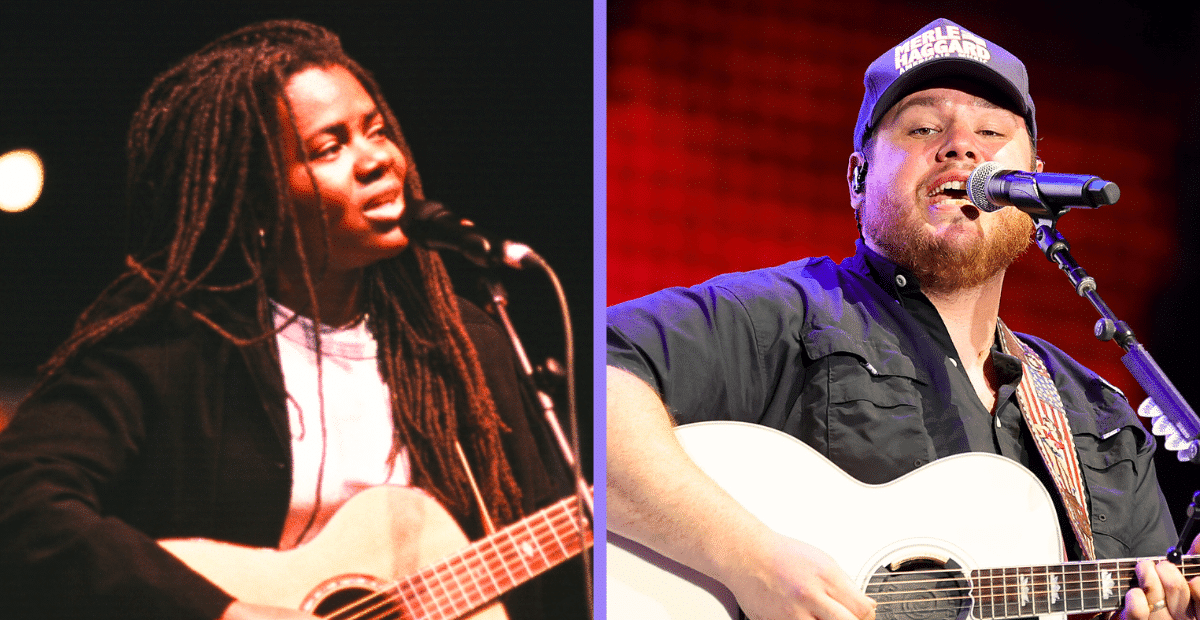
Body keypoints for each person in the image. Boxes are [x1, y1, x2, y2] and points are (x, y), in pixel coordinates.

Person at [607, 17, 1200, 620]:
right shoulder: (784, 316)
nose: (961, 146)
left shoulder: (1098, 422)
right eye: (922, 127)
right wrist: (751, 559)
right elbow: (586, 393)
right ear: (858, 178)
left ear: (1033, 185)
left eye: (992, 131)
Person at [0, 20, 586, 620]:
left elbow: (550, 582)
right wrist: (225, 613)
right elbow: (22, 500)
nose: (376, 160)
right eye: (329, 148)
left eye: (375, 131)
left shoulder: (459, 344)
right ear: (258, 197)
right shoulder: (177, 333)